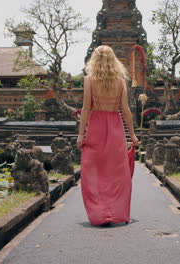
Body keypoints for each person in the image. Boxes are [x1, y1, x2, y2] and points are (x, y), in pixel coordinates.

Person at [76, 45, 139, 226]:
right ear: (113, 60)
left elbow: (86, 108)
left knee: (92, 171)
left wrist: (81, 135)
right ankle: (115, 212)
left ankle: (100, 213)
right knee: (116, 173)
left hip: (95, 127)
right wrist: (132, 135)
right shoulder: (120, 81)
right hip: (115, 128)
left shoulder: (89, 80)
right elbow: (125, 110)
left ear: (94, 59)